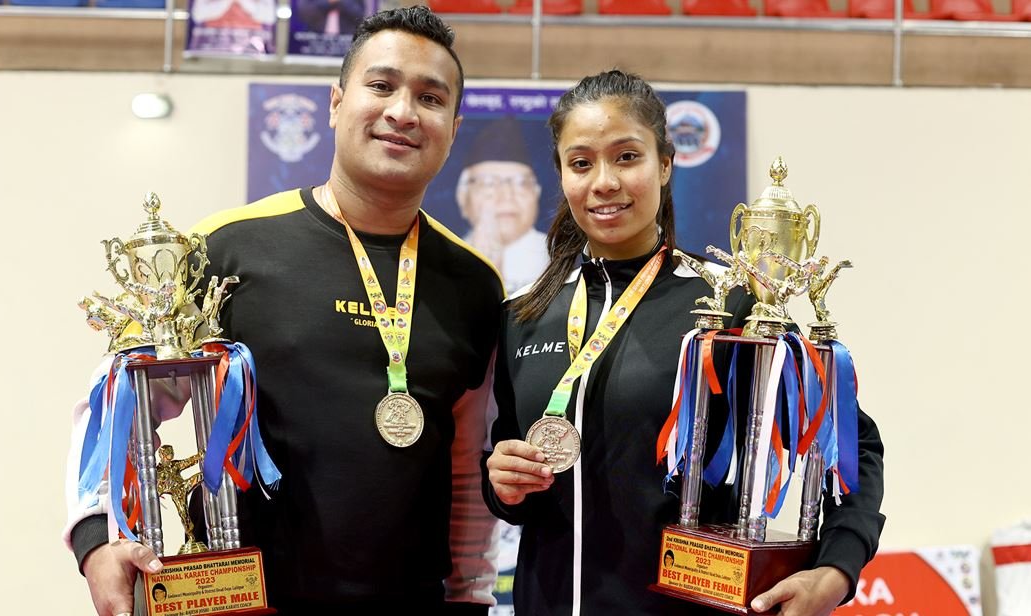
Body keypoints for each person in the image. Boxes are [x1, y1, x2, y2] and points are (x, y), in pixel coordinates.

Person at [65, 6, 503, 615]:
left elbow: (467, 468)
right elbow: (119, 401)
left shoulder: (475, 284)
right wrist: (96, 538)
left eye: (430, 98)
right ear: (336, 103)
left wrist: (472, 596)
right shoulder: (225, 247)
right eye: (381, 86)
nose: (403, 112)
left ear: (453, 128)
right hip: (242, 601)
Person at [482, 70, 885, 615]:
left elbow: (853, 445)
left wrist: (836, 569)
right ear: (562, 175)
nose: (604, 181)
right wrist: (502, 484)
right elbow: (509, 476)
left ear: (666, 164)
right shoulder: (524, 316)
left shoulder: (730, 308)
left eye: (627, 157)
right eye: (581, 163)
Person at [457, 116, 549, 295]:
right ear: (463, 197)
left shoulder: (561, 257)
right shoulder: (444, 257)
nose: (506, 196)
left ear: (536, 193)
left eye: (520, 183)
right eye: (489, 183)